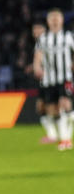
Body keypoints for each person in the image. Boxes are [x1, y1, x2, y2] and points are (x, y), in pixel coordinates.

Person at [33, 10, 74, 151]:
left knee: (65, 105)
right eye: (52, 18)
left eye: (58, 18)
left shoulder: (69, 37)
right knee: (54, 111)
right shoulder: (43, 39)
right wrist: (37, 67)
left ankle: (66, 140)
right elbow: (38, 55)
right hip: (49, 80)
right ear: (48, 22)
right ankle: (65, 139)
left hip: (66, 78)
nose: (55, 21)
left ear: (62, 20)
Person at [31, 23, 57, 144]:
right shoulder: (39, 44)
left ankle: (56, 135)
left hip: (55, 80)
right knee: (41, 108)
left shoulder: (52, 41)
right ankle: (52, 134)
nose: (36, 32)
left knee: (58, 107)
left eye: (38, 29)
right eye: (34, 30)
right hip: (43, 81)